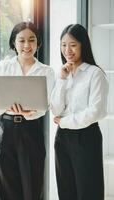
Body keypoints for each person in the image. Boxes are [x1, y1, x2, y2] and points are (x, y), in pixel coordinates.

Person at [0, 21, 55, 200]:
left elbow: (45, 106)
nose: (27, 45)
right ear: (13, 43)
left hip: (31, 130)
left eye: (32, 40)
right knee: (5, 187)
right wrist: (9, 107)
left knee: (32, 186)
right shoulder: (1, 67)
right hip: (4, 130)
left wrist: (30, 113)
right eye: (21, 40)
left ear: (38, 43)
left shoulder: (47, 71)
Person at [50, 24, 109, 200]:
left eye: (73, 44)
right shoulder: (63, 73)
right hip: (62, 138)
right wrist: (61, 79)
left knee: (88, 191)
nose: (67, 50)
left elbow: (96, 112)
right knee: (66, 190)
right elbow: (55, 108)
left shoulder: (95, 73)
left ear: (83, 44)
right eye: (63, 45)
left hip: (86, 137)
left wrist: (64, 121)